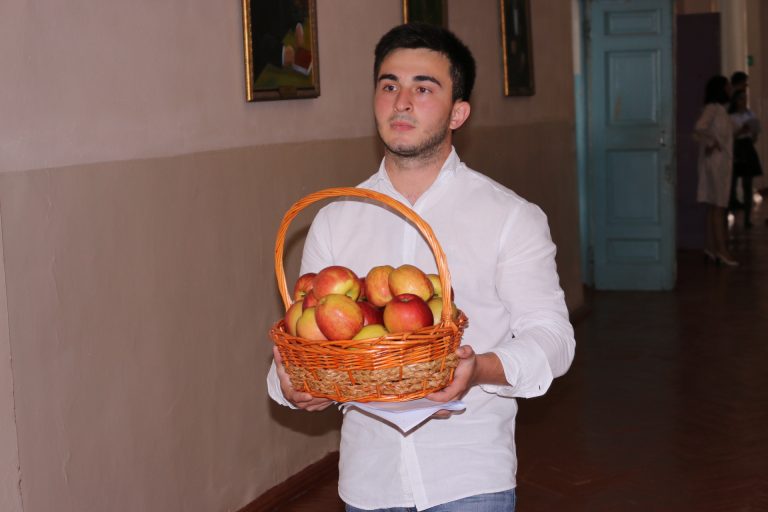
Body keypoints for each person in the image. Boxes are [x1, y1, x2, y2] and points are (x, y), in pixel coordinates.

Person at [267, 23, 575, 511]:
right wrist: (289, 386)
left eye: (424, 88)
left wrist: (479, 369)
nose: (402, 103)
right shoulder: (336, 219)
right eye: (389, 86)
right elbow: (305, 340)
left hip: (469, 478)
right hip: (368, 480)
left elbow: (553, 338)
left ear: (458, 113)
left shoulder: (510, 216)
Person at [694, 75, 737, 266]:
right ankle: (722, 250)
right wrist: (712, 142)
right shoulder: (713, 109)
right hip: (716, 164)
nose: (730, 89)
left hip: (719, 162)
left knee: (714, 205)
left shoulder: (720, 110)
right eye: (727, 86)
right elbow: (699, 128)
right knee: (718, 206)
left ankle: (711, 248)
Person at [728, 88, 762, 228]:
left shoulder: (750, 114)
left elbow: (754, 137)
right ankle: (730, 213)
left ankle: (748, 218)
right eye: (741, 98)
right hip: (736, 147)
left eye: (745, 98)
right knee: (731, 183)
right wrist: (740, 131)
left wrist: (753, 132)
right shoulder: (731, 116)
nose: (744, 101)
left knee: (748, 184)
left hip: (747, 147)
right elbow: (728, 136)